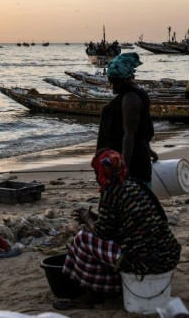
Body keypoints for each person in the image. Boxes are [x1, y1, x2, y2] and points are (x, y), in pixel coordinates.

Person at [57, 149, 181, 310]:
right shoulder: (135, 185)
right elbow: (117, 222)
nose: (96, 177)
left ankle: (92, 296)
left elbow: (102, 233)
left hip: (144, 262)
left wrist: (86, 218)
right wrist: (94, 216)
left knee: (82, 238)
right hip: (168, 255)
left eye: (97, 172)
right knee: (104, 241)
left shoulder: (111, 191)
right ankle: (109, 286)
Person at [96, 52, 157, 186]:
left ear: (125, 79)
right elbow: (142, 131)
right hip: (134, 160)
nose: (112, 85)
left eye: (114, 81)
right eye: (111, 81)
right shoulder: (136, 95)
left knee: (133, 203)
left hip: (132, 165)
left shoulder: (130, 100)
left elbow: (129, 136)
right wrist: (150, 151)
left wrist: (123, 169)